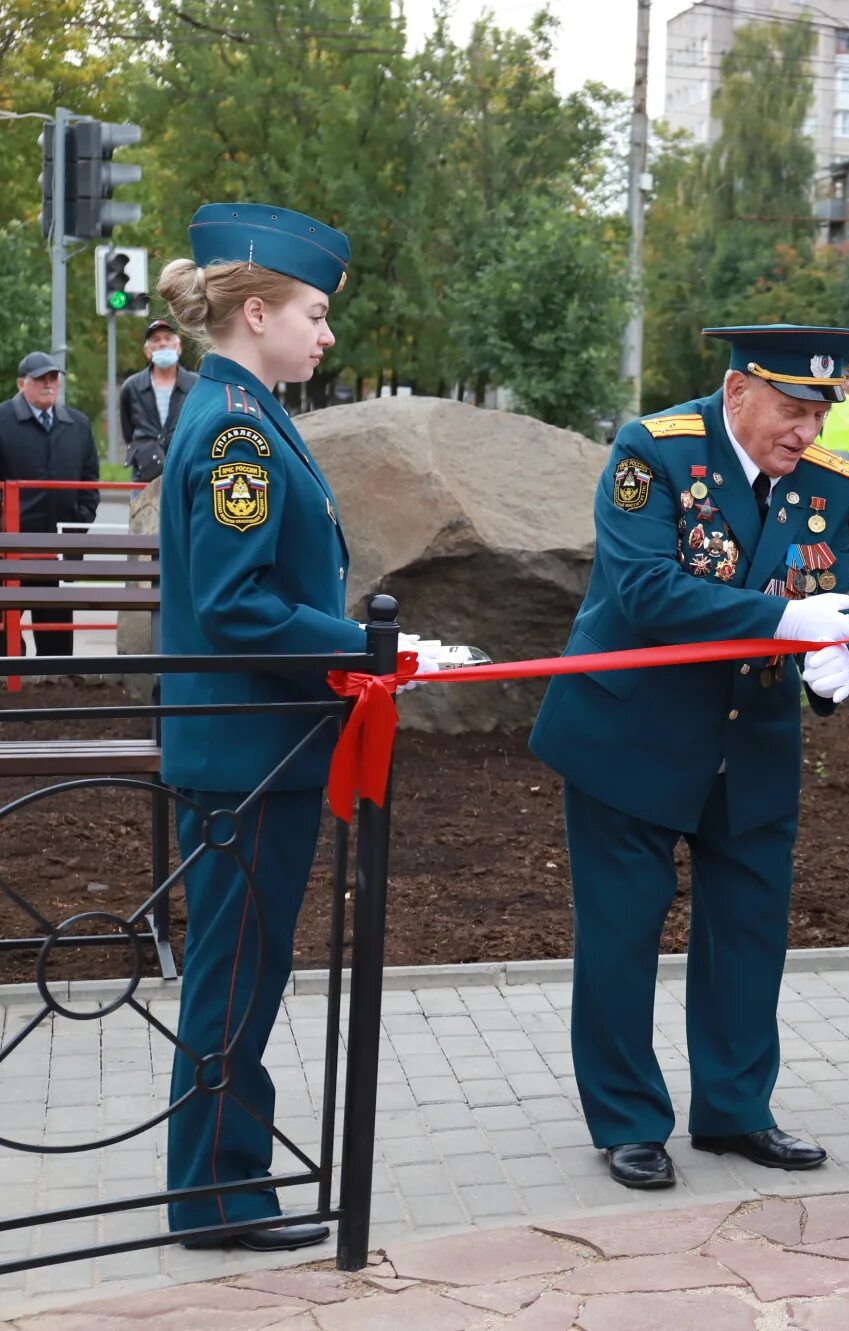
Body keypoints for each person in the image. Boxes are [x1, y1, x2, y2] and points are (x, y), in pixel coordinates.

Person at [529, 324, 849, 1189]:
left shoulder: (827, 479)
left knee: (749, 933)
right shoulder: (655, 453)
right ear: (737, 394)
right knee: (623, 931)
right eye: (792, 411)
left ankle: (735, 1109)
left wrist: (835, 663)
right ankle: (628, 1119)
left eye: (820, 414)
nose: (807, 432)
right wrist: (786, 624)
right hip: (634, 733)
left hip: (752, 734)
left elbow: (829, 590)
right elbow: (644, 587)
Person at [152, 203, 368, 1251]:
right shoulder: (237, 425)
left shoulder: (243, 409)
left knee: (241, 968)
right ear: (255, 312)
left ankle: (222, 1180)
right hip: (246, 750)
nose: (325, 336)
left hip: (251, 745)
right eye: (314, 314)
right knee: (235, 973)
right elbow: (236, 601)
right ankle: (216, 1199)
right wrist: (365, 646)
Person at [0, 351, 99, 658]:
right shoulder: (2, 420)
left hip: (59, 546)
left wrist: (76, 523)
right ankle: (10, 681)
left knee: (55, 626)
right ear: (21, 383)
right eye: (41, 378)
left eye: (53, 377)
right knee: (6, 628)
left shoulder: (78, 425)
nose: (49, 384)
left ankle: (58, 680)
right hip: (10, 547)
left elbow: (90, 482)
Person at [119, 318, 197, 482]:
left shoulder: (195, 385)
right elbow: (129, 431)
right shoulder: (132, 387)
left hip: (185, 472)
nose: (162, 344)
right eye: (156, 340)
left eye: (168, 338)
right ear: (147, 351)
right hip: (145, 473)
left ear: (179, 347)